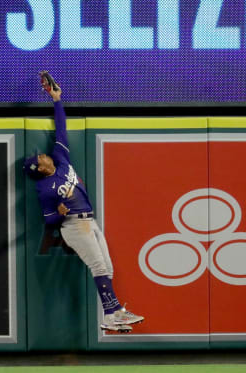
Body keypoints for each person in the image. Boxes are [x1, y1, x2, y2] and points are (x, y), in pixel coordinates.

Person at [24, 72, 144, 333]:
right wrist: (58, 212)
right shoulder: (44, 188)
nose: (42, 155)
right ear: (39, 168)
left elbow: (61, 128)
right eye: (39, 158)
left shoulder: (61, 159)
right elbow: (48, 221)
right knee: (99, 266)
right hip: (73, 227)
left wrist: (56, 101)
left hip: (89, 220)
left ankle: (113, 314)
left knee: (108, 267)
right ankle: (114, 315)